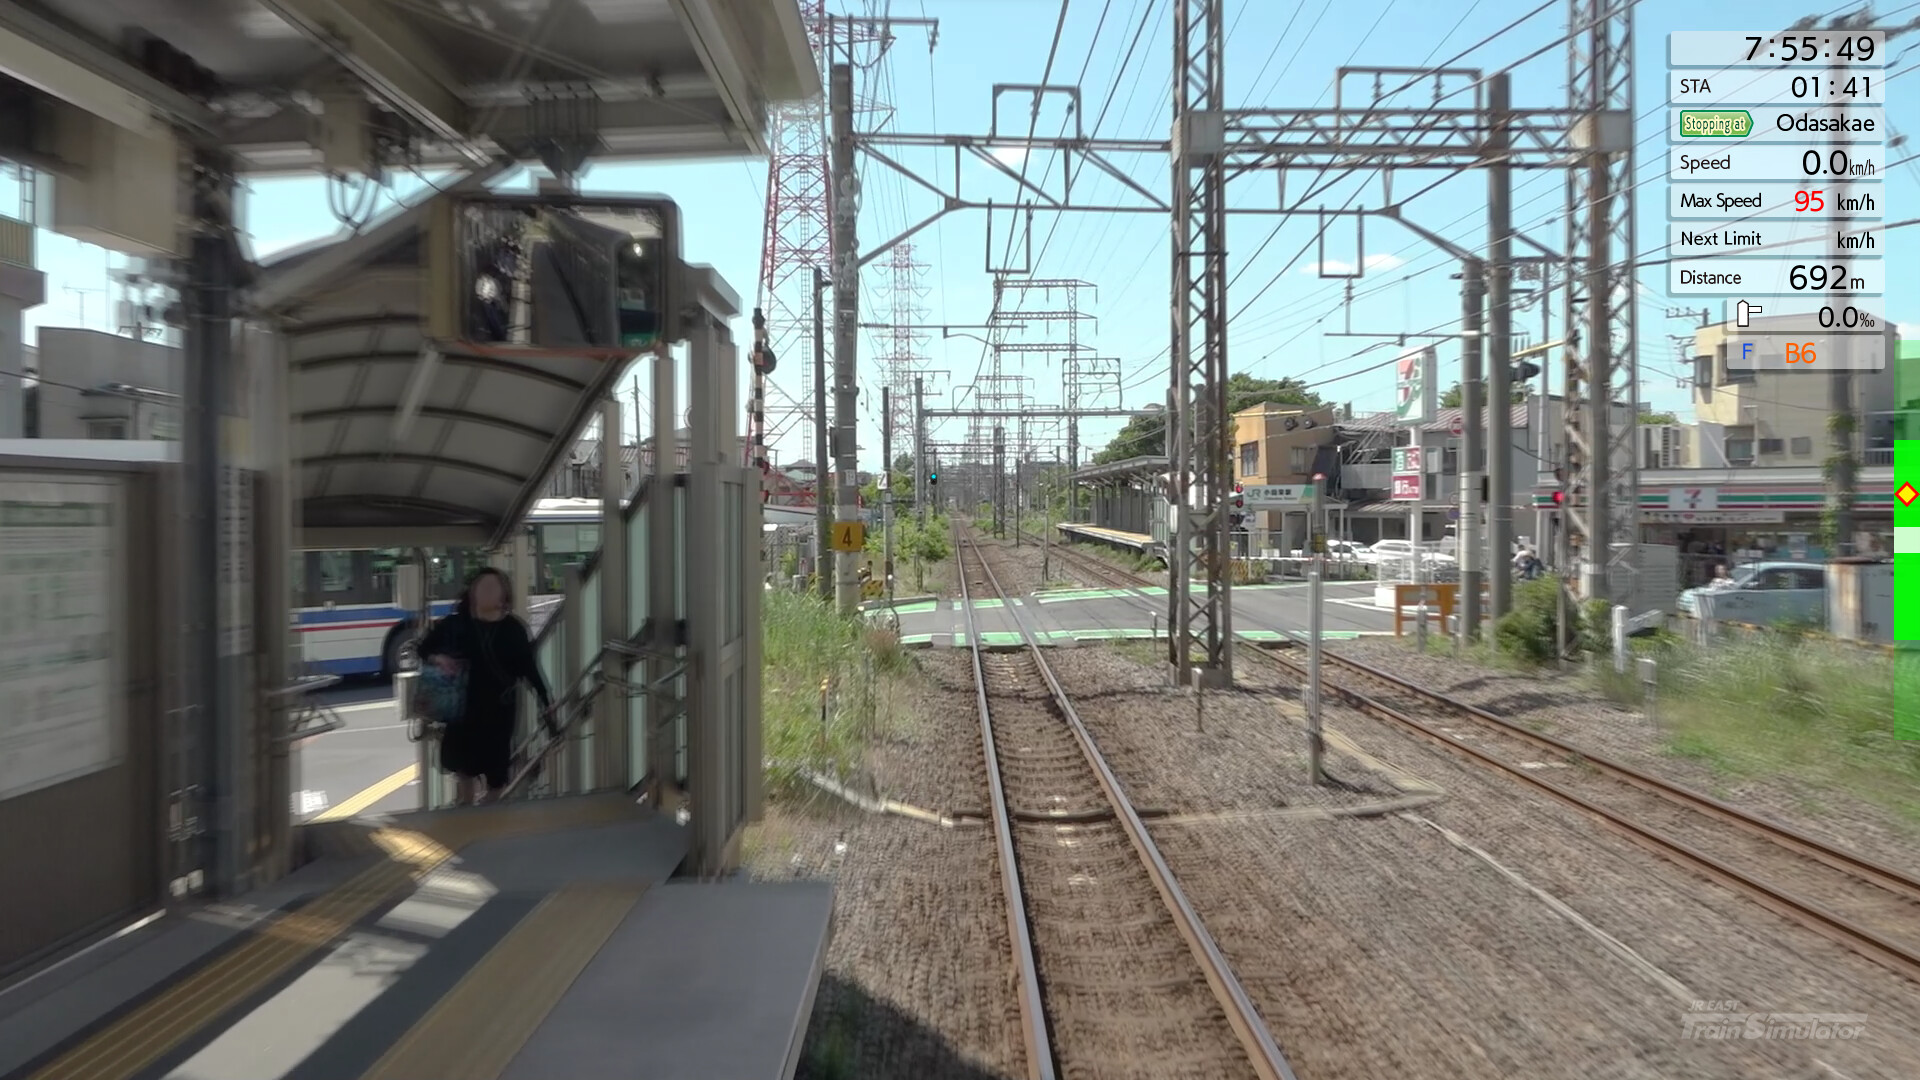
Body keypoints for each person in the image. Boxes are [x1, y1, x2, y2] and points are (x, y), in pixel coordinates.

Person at [417, 568, 555, 806]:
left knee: (496, 770)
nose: (486, 592)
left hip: (499, 710)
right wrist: (440, 659)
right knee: (463, 766)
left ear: (504, 596)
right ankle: (466, 806)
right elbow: (423, 648)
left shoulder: (513, 629)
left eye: (492, 588)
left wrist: (546, 701)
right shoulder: (455, 624)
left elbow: (529, 670)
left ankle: (489, 809)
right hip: (463, 707)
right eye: (482, 587)